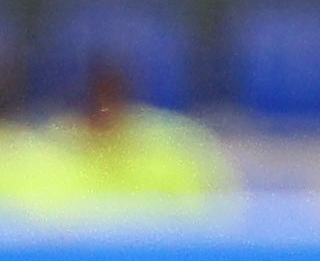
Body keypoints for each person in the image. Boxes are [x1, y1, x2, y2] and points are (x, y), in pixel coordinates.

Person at [20, 51, 230, 221]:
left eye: (112, 97)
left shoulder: (179, 148)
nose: (105, 109)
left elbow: (210, 224)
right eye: (96, 100)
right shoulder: (37, 157)